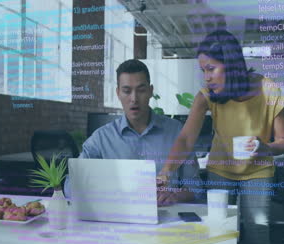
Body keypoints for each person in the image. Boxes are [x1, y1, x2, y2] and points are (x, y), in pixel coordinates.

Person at [158, 30, 284, 244]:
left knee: (257, 234)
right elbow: (186, 139)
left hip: (258, 170)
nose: (206, 77)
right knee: (218, 235)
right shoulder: (206, 96)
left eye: (211, 69)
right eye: (203, 71)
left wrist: (265, 149)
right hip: (221, 169)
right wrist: (166, 171)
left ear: (231, 65)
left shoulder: (267, 89)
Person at [64, 59, 200, 206]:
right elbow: (71, 185)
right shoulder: (101, 139)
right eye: (127, 91)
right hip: (117, 218)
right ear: (118, 93)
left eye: (141, 90)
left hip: (165, 217)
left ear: (150, 91)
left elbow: (196, 188)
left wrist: (175, 196)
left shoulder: (177, 132)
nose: (134, 99)